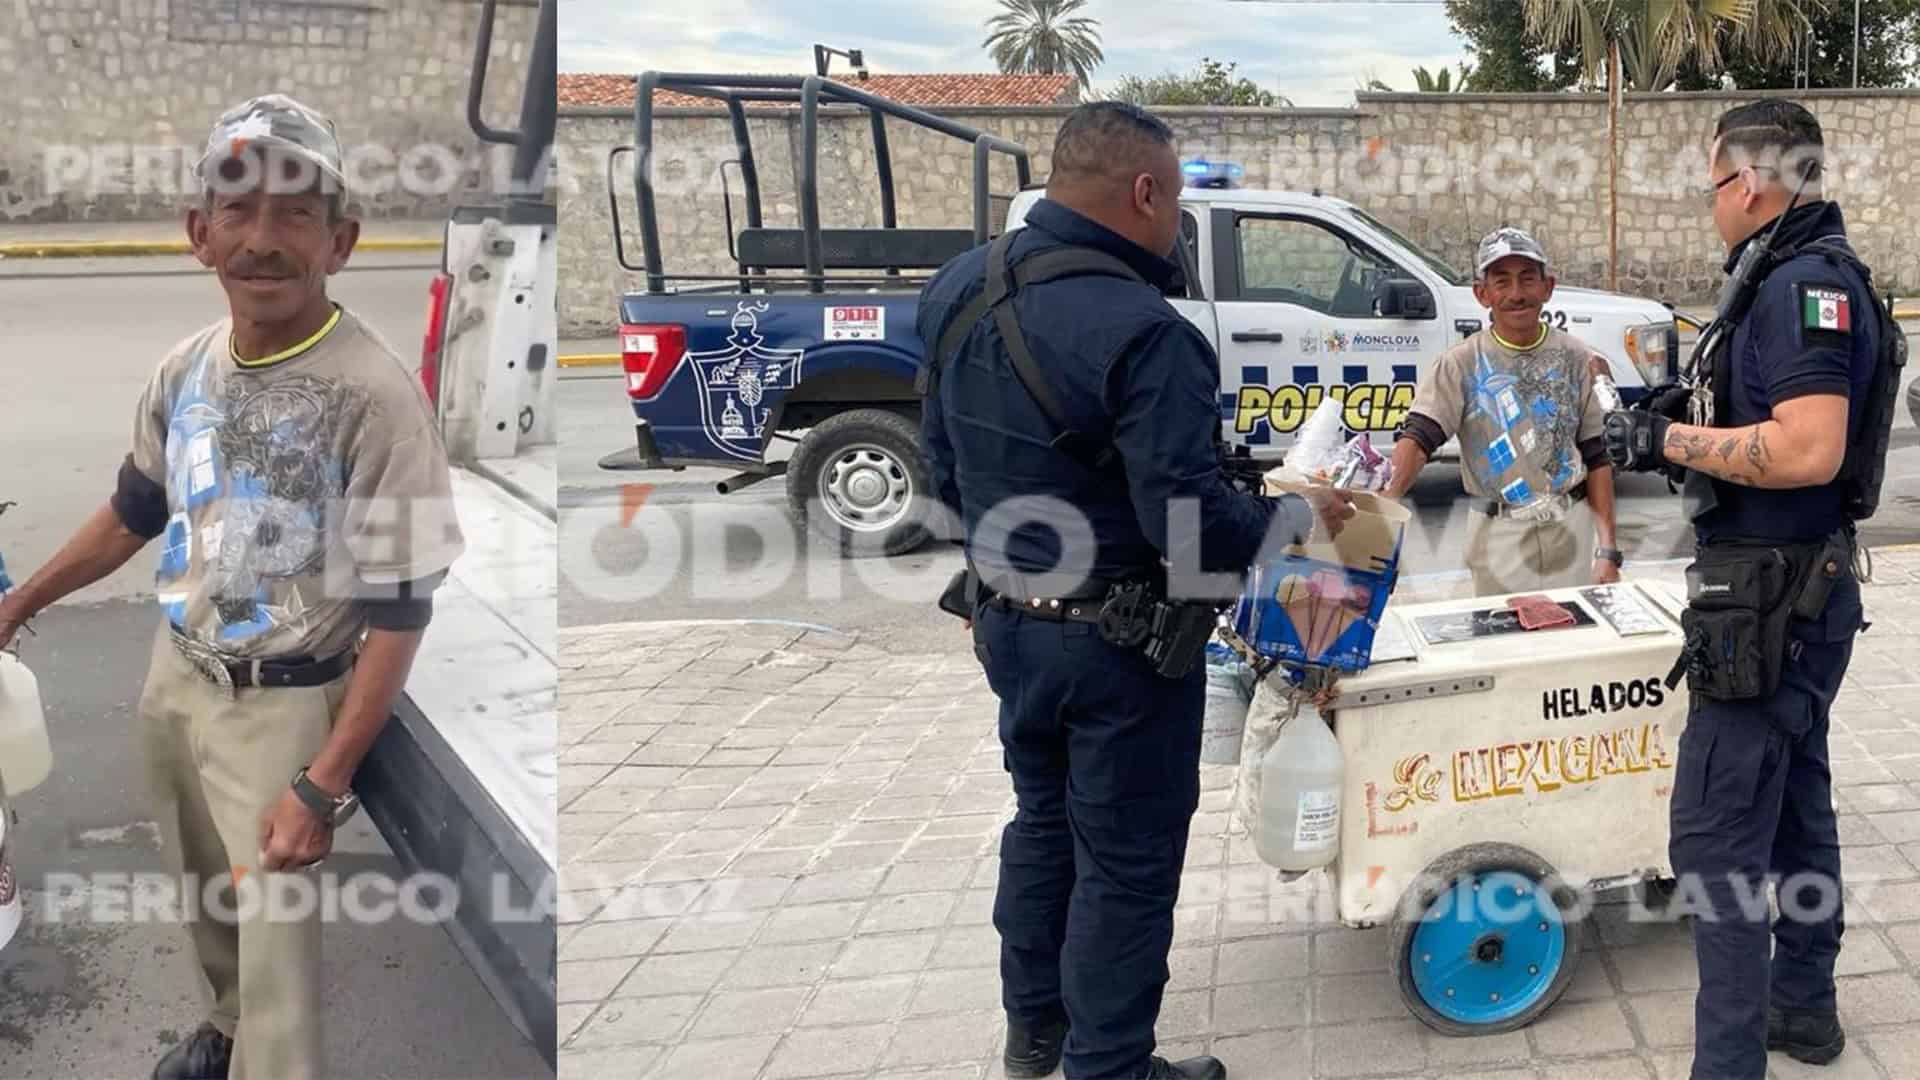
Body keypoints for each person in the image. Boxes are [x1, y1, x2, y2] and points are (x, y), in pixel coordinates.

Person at [0, 94, 465, 1080]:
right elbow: (133, 510)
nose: (265, 240)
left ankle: (267, 1059)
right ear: (198, 233)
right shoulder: (186, 369)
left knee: (279, 961)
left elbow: (398, 612)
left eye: (297, 213)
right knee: (203, 890)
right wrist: (17, 604)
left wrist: (322, 781)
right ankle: (225, 1033)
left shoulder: (374, 397)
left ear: (340, 242)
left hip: (284, 709)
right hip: (177, 678)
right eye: (240, 209)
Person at [917, 101, 1351, 1080]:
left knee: (1041, 824)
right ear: (1146, 192)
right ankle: (1109, 1067)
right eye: (1178, 201)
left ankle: (1039, 1038)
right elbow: (1190, 539)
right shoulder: (1150, 333)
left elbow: (942, 472)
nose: (1177, 225)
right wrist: (1296, 523)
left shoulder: (958, 288)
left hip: (1006, 624)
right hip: (1120, 650)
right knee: (1124, 863)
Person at [1603, 99, 1895, 1079]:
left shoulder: (1803, 285)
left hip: (1772, 602)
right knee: (1796, 803)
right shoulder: (1789, 275)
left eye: (1713, 181)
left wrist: (1666, 442)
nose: (1711, 202)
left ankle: (1728, 1062)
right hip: (1791, 595)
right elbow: (1767, 414)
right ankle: (1803, 1008)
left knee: (1717, 841)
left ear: (1750, 179)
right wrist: (1677, 411)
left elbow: (1807, 449)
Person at [1384, 225, 1622, 595]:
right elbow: (1418, 438)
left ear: (1548, 287)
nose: (1516, 294)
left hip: (1570, 530)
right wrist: (1381, 509)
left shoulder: (1580, 360)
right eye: (1502, 282)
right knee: (1502, 645)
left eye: (1528, 280)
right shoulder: (1460, 364)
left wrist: (1608, 551)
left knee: (1575, 642)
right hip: (1498, 536)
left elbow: (1598, 456)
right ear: (1482, 294)